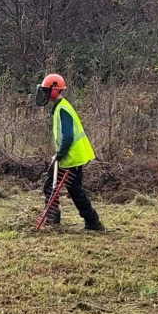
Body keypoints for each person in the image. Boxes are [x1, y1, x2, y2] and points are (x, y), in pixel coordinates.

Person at [35, 73, 104, 231]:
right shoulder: (59, 107)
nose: (44, 93)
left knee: (76, 192)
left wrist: (59, 154)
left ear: (55, 90)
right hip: (66, 157)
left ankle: (93, 222)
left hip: (72, 158)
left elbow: (68, 137)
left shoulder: (63, 109)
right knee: (49, 185)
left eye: (46, 90)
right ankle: (53, 218)